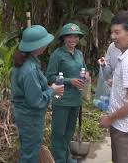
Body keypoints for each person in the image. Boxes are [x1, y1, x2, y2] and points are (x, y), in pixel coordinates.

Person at [11, 25, 64, 163]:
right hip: (30, 118)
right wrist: (52, 90)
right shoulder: (29, 69)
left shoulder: (27, 62)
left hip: (25, 115)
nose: (46, 45)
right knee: (30, 154)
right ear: (38, 46)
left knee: (28, 149)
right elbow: (36, 100)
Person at [99, 11, 128, 163]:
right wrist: (117, 82)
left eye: (117, 32)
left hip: (126, 130)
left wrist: (109, 118)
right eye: (112, 32)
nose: (113, 37)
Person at [46, 23, 90, 163]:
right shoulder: (57, 55)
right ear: (64, 38)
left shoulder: (79, 54)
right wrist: (70, 81)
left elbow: (84, 70)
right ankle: (59, 159)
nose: (73, 39)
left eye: (75, 36)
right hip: (62, 99)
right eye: (69, 36)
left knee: (69, 131)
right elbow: (50, 77)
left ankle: (67, 157)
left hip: (76, 99)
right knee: (59, 133)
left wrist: (87, 75)